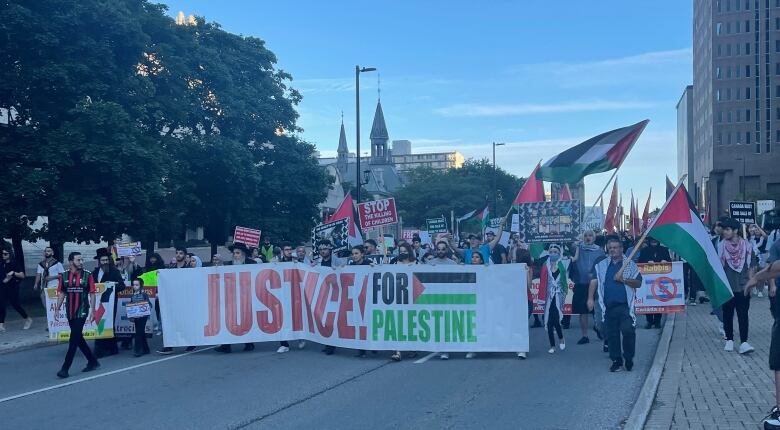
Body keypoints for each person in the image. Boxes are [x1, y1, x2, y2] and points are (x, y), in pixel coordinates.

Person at [587, 237, 643, 372]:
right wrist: (590, 298)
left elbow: (638, 283)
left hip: (624, 306)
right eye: (610, 247)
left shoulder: (629, 264)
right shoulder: (602, 265)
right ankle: (616, 361)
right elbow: (595, 281)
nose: (612, 250)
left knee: (628, 331)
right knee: (611, 335)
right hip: (608, 306)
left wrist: (623, 279)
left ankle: (628, 358)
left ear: (621, 249)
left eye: (615, 247)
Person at [54, 252, 100, 378]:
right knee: (78, 338)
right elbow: (62, 293)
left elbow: (92, 293)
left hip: (82, 310)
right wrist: (57, 309)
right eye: (78, 260)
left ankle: (65, 368)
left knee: (73, 339)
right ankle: (93, 361)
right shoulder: (63, 276)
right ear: (70, 261)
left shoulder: (87, 275)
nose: (81, 262)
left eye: (81, 259)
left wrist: (93, 311)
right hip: (70, 311)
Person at [718, 218, 756, 354]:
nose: (725, 232)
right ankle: (729, 339)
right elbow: (718, 267)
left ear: (735, 231)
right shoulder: (721, 246)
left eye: (727, 230)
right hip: (728, 285)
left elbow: (751, 266)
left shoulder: (747, 246)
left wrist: (751, 283)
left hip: (743, 285)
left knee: (743, 314)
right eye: (724, 230)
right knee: (727, 313)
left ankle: (744, 342)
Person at [215, 242, 257, 354]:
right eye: (234, 253)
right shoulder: (228, 265)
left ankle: (249, 343)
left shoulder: (252, 263)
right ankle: (226, 345)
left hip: (247, 296)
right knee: (227, 321)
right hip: (231, 298)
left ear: (243, 254)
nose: (235, 255)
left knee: (245, 320)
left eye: (237, 253)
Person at [570, 230, 605, 344]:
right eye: (585, 235)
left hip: (596, 284)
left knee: (598, 309)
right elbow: (570, 248)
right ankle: (585, 335)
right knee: (583, 310)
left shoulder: (600, 251)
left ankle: (599, 327)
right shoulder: (578, 248)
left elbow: (603, 266)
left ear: (594, 238)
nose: (588, 237)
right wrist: (576, 243)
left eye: (590, 235)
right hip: (581, 283)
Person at [91, 248, 126, 358]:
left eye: (107, 260)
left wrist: (112, 284)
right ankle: (100, 348)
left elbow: (122, 286)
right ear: (99, 261)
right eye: (103, 260)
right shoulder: (94, 273)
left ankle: (110, 348)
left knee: (108, 324)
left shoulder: (114, 271)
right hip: (98, 303)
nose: (105, 262)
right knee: (98, 323)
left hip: (110, 303)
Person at [637, 236, 672, 329]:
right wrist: (646, 262)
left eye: (655, 240)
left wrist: (666, 261)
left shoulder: (664, 250)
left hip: (660, 280)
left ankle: (657, 321)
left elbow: (670, 262)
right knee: (649, 300)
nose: (654, 242)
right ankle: (649, 321)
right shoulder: (644, 250)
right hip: (647, 280)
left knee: (658, 300)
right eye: (652, 240)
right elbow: (639, 262)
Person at [541, 244, 569, 354]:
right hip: (549, 297)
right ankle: (552, 345)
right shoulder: (545, 265)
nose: (553, 254)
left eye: (555, 252)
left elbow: (575, 259)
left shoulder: (563, 264)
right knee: (548, 322)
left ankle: (561, 338)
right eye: (551, 251)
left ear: (559, 253)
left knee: (556, 320)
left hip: (558, 296)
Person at [0, 248, 32, 332]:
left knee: (15, 304)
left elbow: (22, 275)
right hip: (3, 287)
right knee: (1, 306)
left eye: (5, 254)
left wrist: (13, 273)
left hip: (13, 288)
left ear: (10, 254)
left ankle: (28, 319)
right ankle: (1, 325)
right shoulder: (1, 264)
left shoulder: (14, 264)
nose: (3, 255)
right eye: (2, 254)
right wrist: (5, 279)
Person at [33, 246, 65, 313]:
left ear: (52, 253)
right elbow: (38, 274)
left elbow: (63, 275)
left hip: (54, 286)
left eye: (49, 251)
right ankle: (49, 315)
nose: (47, 252)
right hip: (44, 286)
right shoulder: (41, 264)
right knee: (44, 301)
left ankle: (56, 315)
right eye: (45, 251)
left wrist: (52, 277)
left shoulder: (57, 264)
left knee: (53, 303)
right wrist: (36, 284)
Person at [128, 278, 151, 357]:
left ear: (141, 286)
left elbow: (149, 304)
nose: (135, 286)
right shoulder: (133, 296)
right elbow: (131, 306)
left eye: (137, 285)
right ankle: (146, 349)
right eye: (134, 285)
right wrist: (130, 315)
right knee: (140, 332)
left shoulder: (144, 294)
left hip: (143, 317)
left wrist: (143, 307)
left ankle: (137, 350)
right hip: (136, 317)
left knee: (138, 333)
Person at [749, 223, 769, 297]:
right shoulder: (752, 238)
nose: (757, 230)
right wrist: (751, 226)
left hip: (762, 257)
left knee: (762, 273)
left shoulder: (764, 238)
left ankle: (760, 290)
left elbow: (765, 235)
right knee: (753, 273)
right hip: (754, 257)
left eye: (758, 229)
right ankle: (754, 287)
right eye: (756, 229)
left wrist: (757, 226)